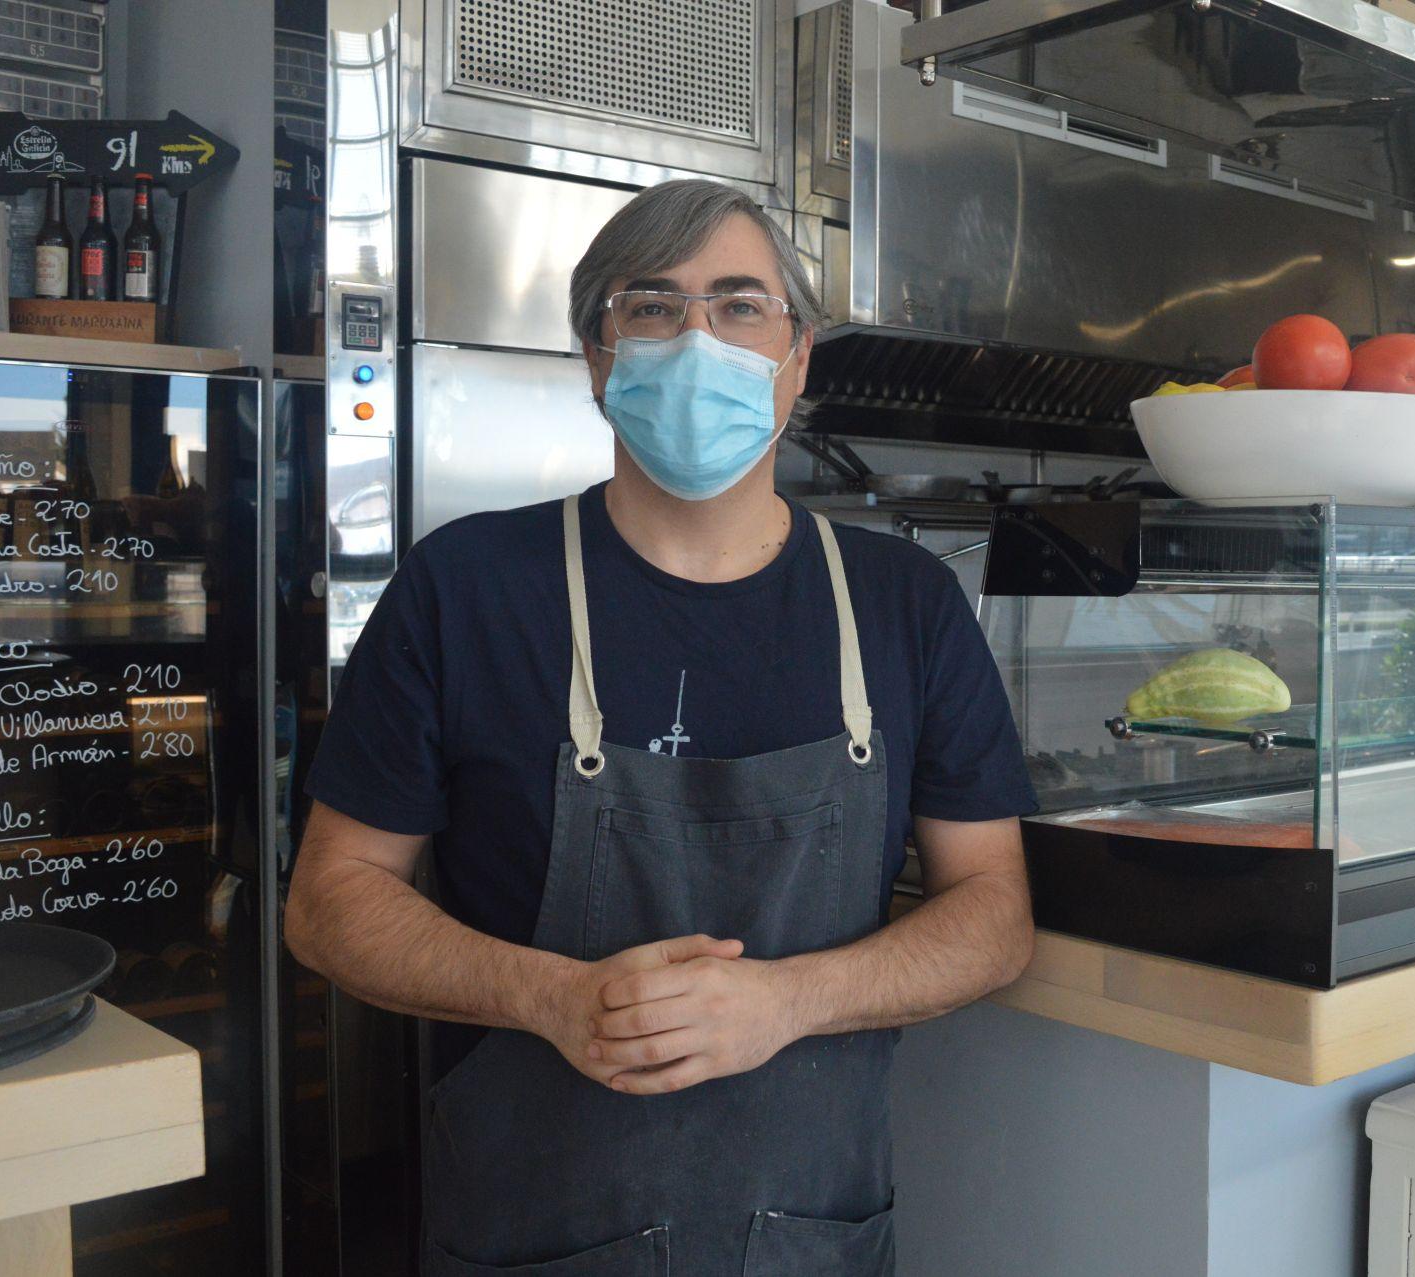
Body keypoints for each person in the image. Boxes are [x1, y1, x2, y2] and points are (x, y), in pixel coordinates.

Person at [284, 178, 1038, 1276]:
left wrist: (791, 999)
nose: (699, 340)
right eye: (653, 308)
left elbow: (995, 912)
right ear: (599, 359)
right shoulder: (466, 588)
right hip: (532, 1238)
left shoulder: (904, 603)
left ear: (799, 356)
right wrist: (553, 996)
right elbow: (331, 901)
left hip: (813, 1241)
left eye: (740, 306)